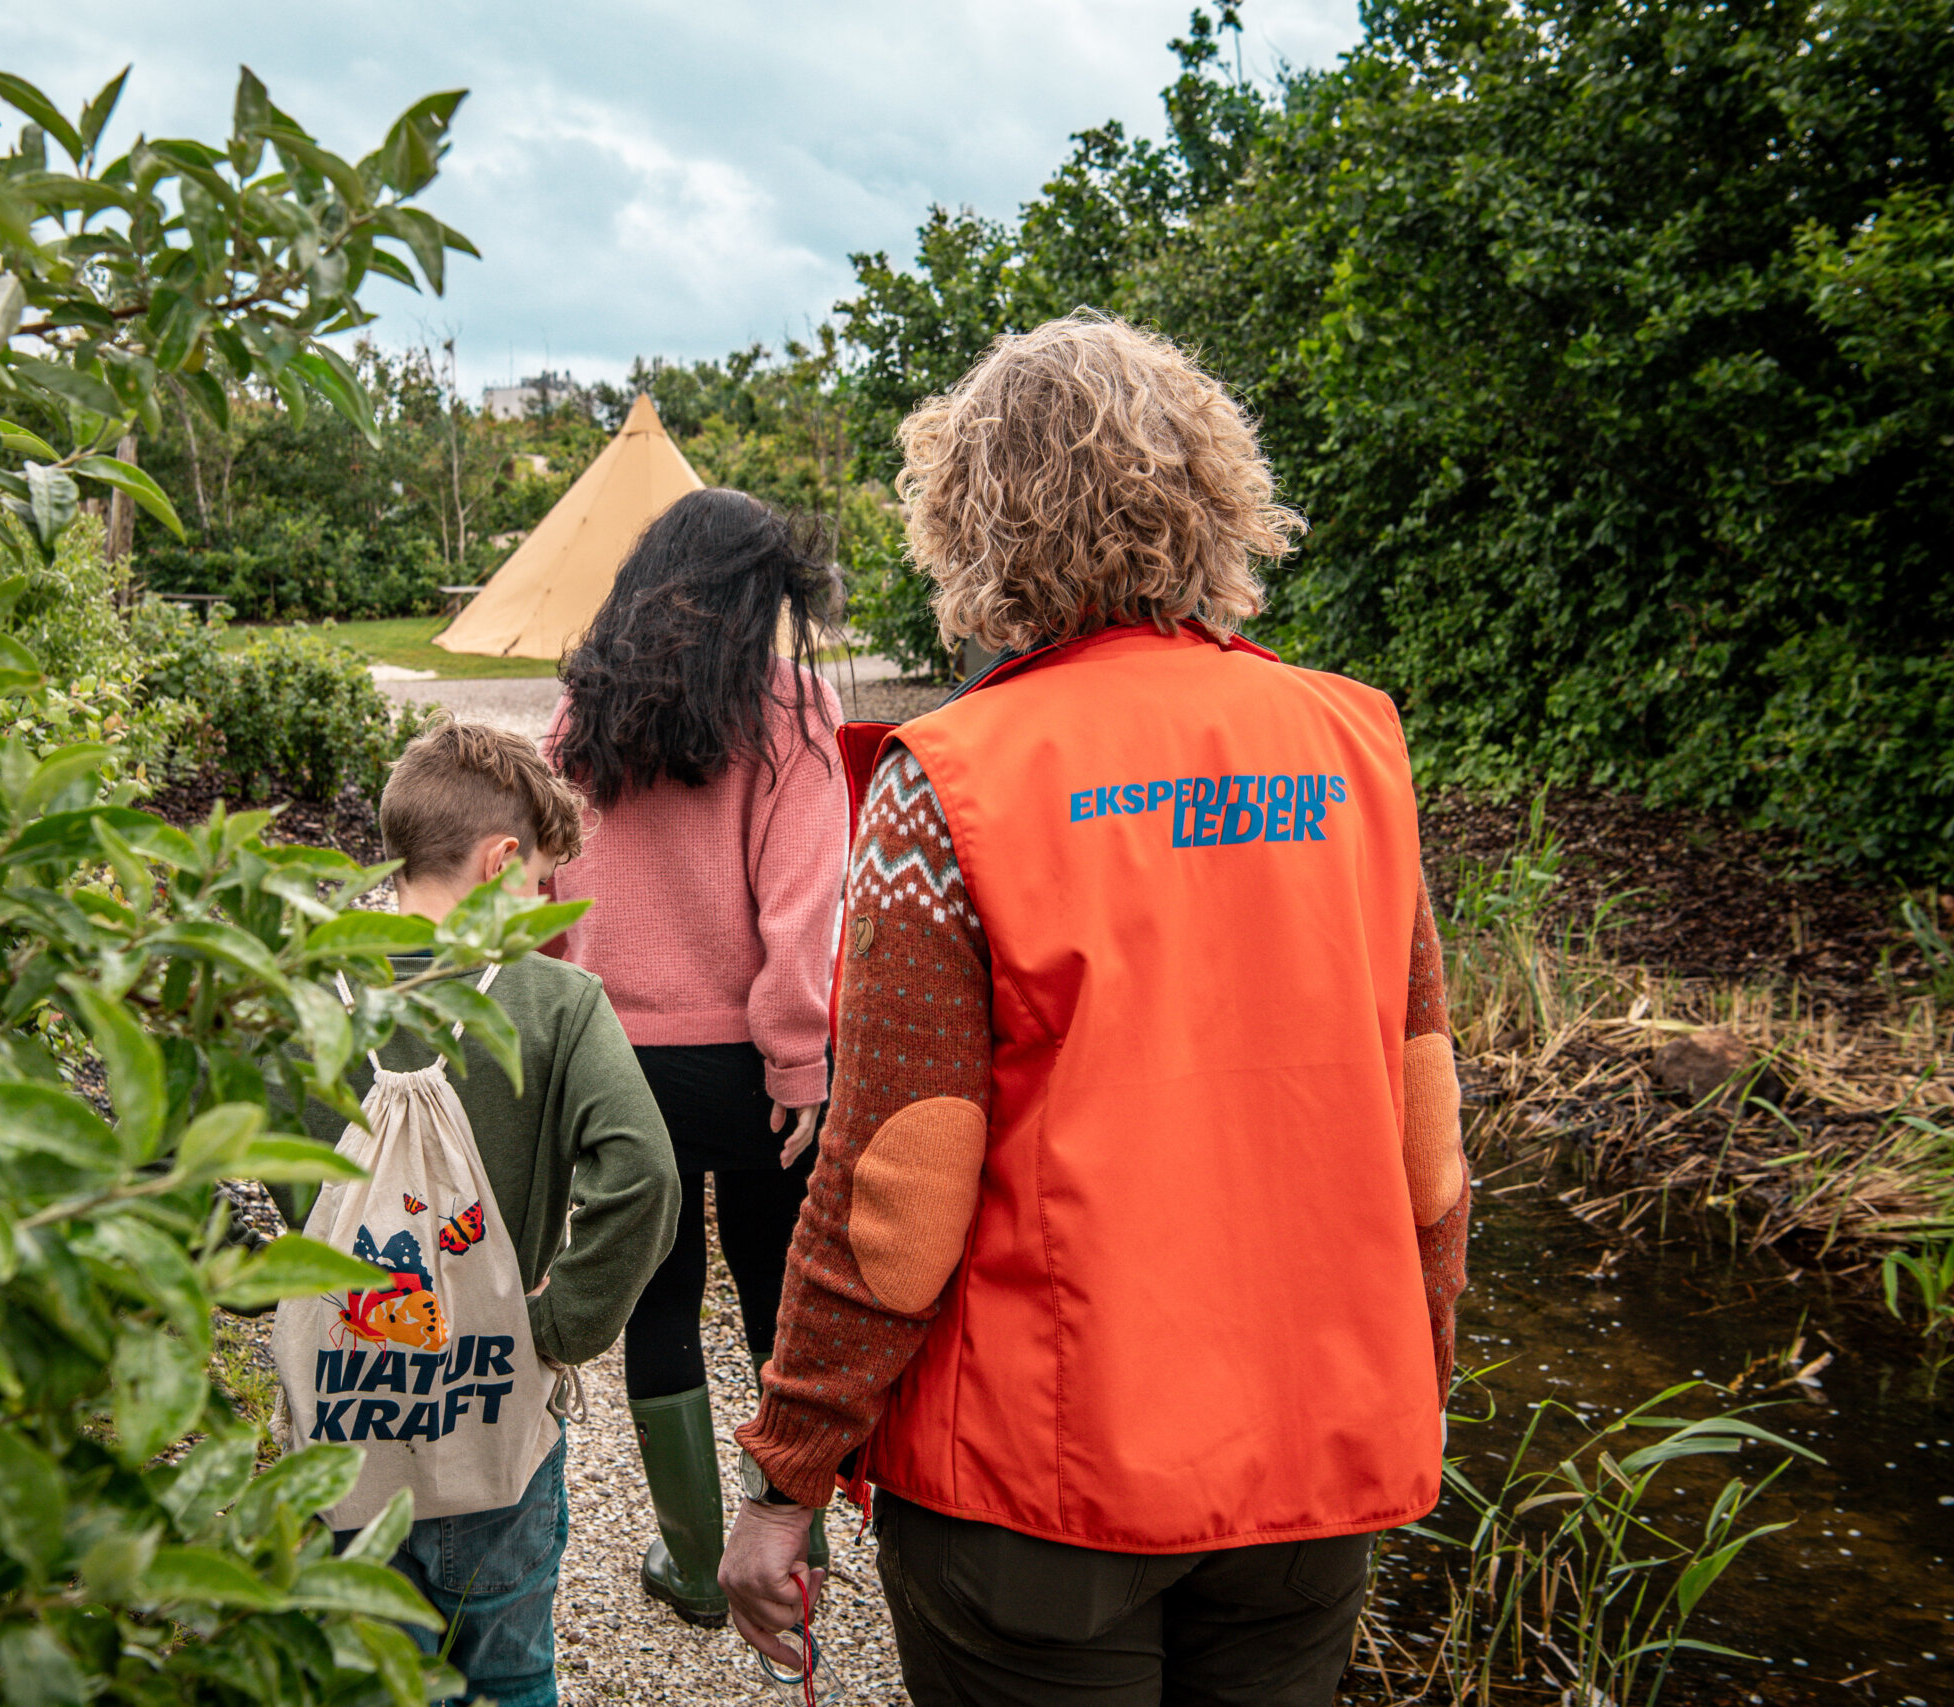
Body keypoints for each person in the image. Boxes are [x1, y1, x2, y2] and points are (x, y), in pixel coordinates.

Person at [719, 313, 1473, 1706]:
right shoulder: (1353, 745)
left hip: (1037, 1489)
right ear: (1216, 494)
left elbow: (896, 1182)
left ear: (973, 524)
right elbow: (1427, 1144)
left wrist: (786, 1474)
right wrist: (1410, 1383)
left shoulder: (951, 781)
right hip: (1309, 1468)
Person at [281, 719, 681, 1707]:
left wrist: (258, 1285)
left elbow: (186, 1147)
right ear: (502, 862)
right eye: (541, 882)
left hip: (341, 1442)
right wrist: (558, 1326)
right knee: (506, 1678)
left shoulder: (297, 997)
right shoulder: (558, 1003)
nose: (543, 906)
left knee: (362, 1680)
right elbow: (644, 1175)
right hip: (493, 1439)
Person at [543, 486, 850, 1628]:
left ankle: (687, 1562)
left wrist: (562, 1034)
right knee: (778, 1290)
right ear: (759, 592)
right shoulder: (792, 707)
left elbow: (547, 888)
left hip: (618, 1060)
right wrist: (800, 1060)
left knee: (659, 1299)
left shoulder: (583, 707)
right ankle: (793, 1542)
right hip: (753, 1070)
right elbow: (803, 902)